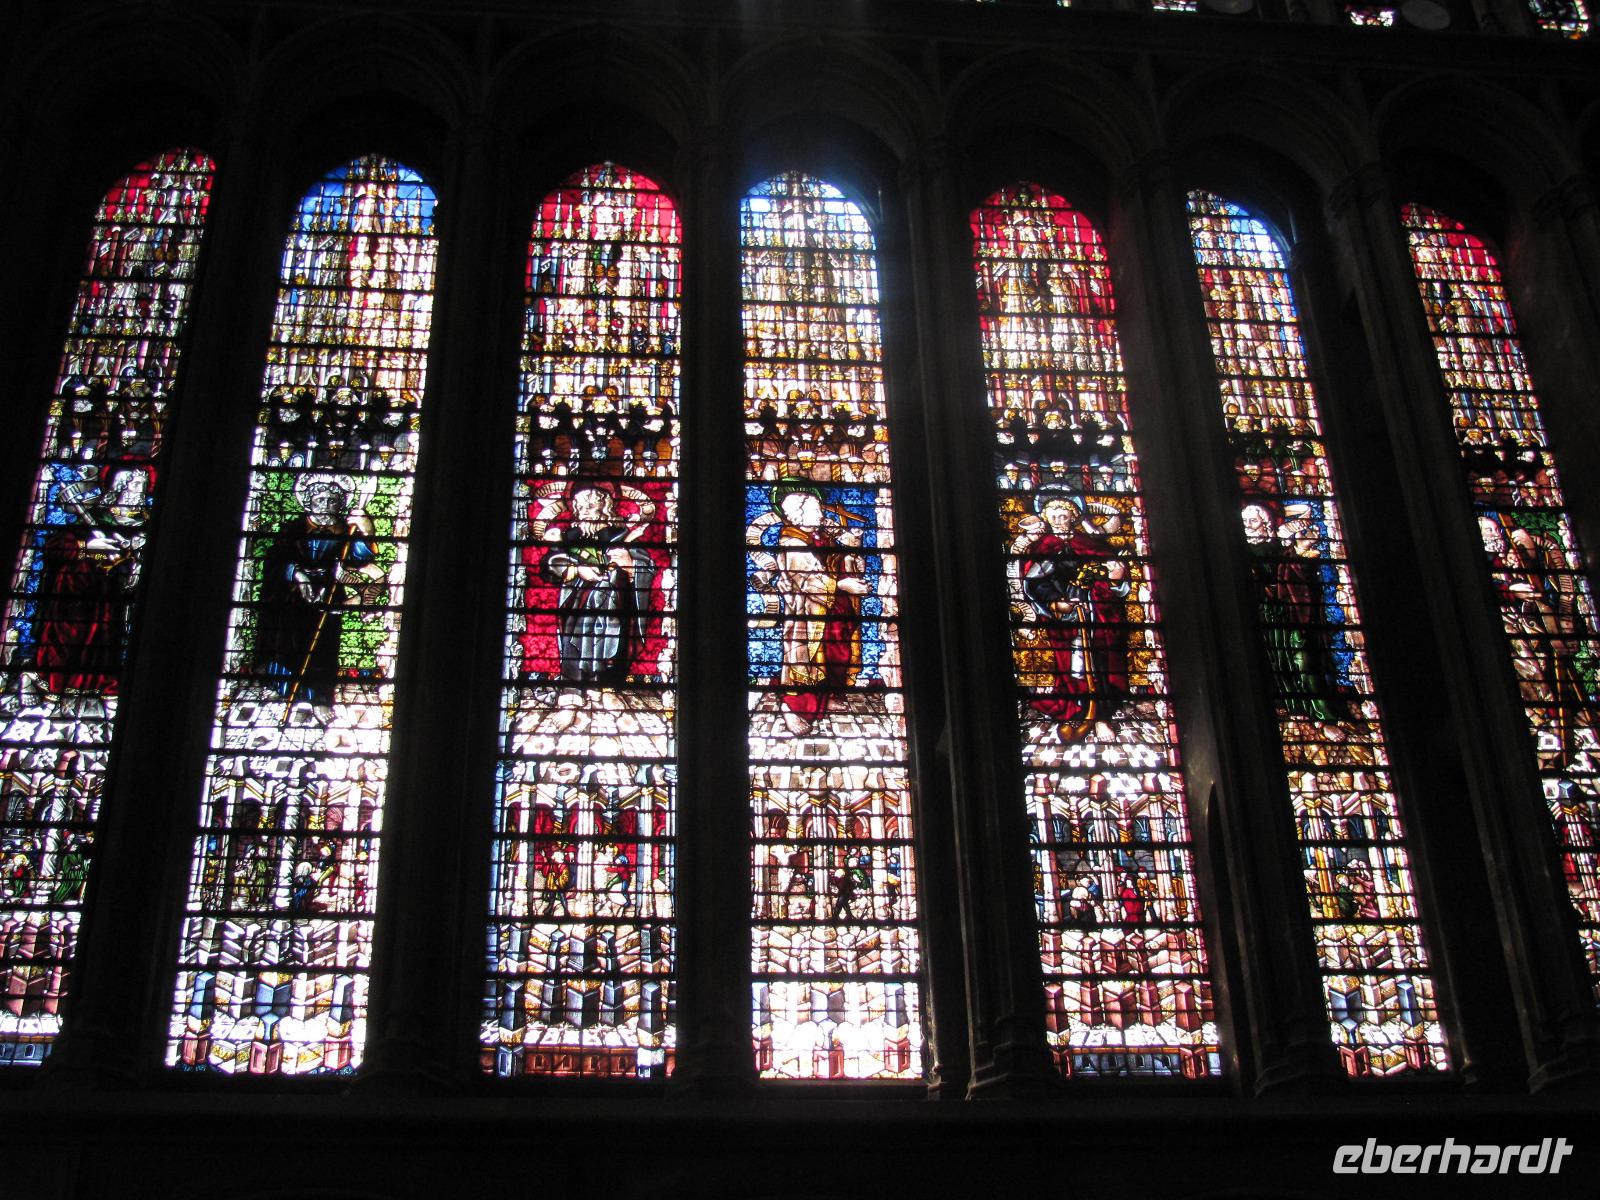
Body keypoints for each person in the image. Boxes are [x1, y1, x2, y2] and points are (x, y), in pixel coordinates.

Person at [250, 474, 384, 708]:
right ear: (308, 501)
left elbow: (361, 556)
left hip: (329, 594)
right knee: (287, 643)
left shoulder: (344, 530)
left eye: (332, 501)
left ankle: (319, 699)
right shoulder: (293, 528)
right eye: (319, 500)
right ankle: (281, 692)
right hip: (292, 597)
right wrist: (296, 574)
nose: (325, 506)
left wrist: (366, 529)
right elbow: (274, 559)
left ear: (340, 504)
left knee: (323, 644)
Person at [748, 485, 870, 732]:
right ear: (799, 515)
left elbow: (840, 559)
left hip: (836, 608)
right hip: (810, 613)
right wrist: (843, 584)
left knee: (838, 653)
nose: (822, 514)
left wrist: (851, 547)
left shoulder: (822, 535)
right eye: (816, 511)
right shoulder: (792, 542)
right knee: (806, 661)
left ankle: (832, 697)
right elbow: (807, 578)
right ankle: (794, 707)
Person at [1016, 492, 1131, 742]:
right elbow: (1035, 583)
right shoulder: (1044, 548)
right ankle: (1073, 711)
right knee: (1069, 666)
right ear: (1046, 518)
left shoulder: (1089, 544)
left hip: (1095, 613)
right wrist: (1056, 603)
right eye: (1054, 515)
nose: (1059, 519)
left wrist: (1115, 579)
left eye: (1064, 515)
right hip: (1062, 619)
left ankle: (1100, 717)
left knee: (1098, 662)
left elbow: (1112, 575)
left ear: (1074, 517)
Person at [32, 462, 153, 696]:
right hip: (78, 592)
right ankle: (60, 684)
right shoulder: (96, 516)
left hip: (114, 596)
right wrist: (88, 547)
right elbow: (55, 547)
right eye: (135, 484)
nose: (140, 490)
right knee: (72, 639)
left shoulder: (149, 522)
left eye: (143, 485)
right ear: (120, 487)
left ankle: (98, 686)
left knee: (107, 644)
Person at [538, 484, 658, 683]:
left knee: (605, 600)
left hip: (616, 604)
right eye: (580, 506)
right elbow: (549, 564)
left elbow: (646, 566)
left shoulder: (622, 536)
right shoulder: (569, 537)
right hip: (576, 604)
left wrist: (630, 565)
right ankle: (575, 685)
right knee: (577, 636)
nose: (583, 511)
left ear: (605, 507)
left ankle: (607, 683)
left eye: (590, 506)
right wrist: (577, 570)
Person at [1240, 500, 1349, 722]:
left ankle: (1320, 713)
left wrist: (1299, 552)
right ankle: (1291, 708)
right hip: (1263, 615)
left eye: (1253, 520)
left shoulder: (1281, 547)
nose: (1248, 525)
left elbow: (1297, 571)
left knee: (1304, 658)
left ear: (1265, 523)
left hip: (1290, 612)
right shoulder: (1240, 551)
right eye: (1244, 521)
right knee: (1275, 663)